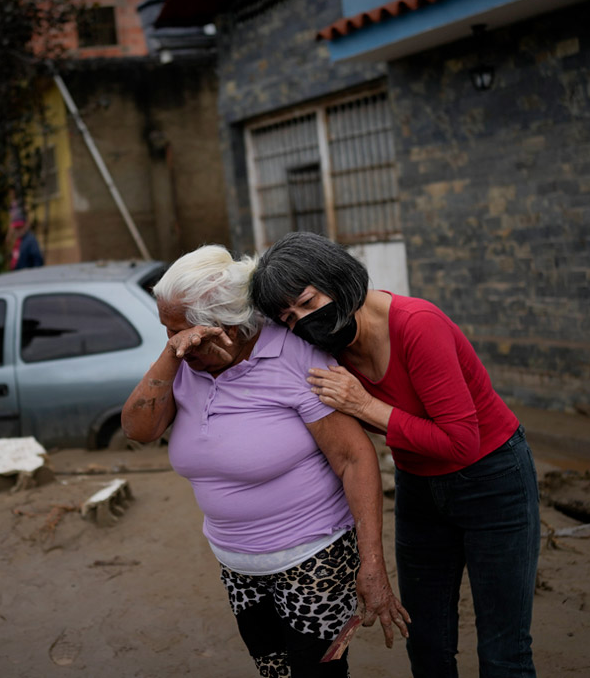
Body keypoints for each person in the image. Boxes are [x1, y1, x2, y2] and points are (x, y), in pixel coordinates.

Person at [250, 231, 541, 678]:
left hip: (492, 480)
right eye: (289, 318)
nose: (303, 321)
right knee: (425, 643)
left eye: (308, 302)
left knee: (503, 650)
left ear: (338, 279)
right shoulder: (326, 349)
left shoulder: (418, 324)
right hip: (418, 487)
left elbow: (460, 441)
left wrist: (365, 405)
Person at [122, 245, 408, 678]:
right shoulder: (183, 362)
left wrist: (372, 565)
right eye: (168, 330)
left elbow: (354, 458)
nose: (174, 340)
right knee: (274, 670)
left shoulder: (294, 356)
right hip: (237, 565)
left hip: (314, 557)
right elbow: (138, 429)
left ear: (225, 324)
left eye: (179, 330)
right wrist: (171, 353)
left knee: (317, 674)